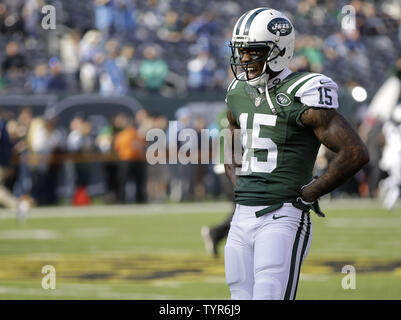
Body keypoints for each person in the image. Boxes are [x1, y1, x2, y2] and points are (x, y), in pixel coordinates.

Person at [223, 8, 369, 300]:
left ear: (279, 50)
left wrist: (309, 194)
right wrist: (241, 188)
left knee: (269, 295)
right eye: (241, 52)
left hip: (282, 215)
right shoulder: (238, 90)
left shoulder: (304, 90)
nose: (244, 60)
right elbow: (231, 136)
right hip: (241, 217)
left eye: (253, 52)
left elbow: (354, 152)